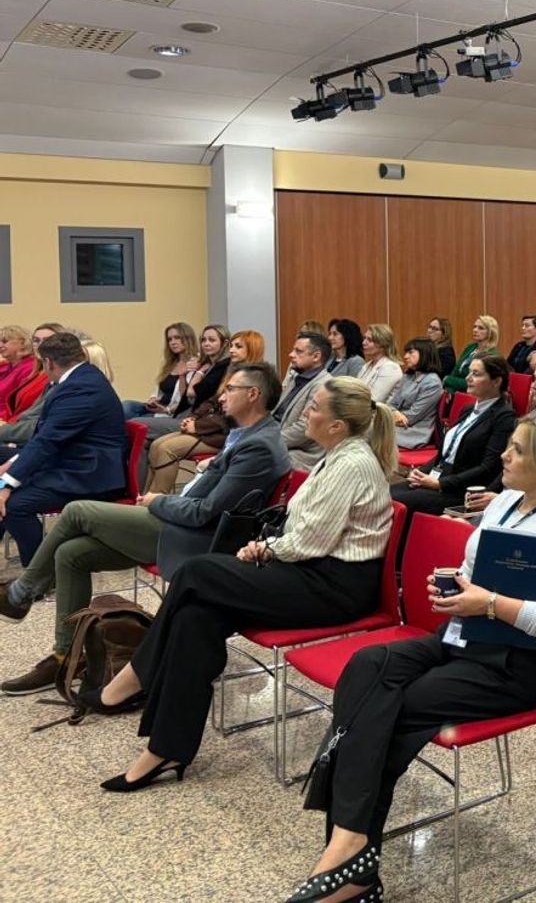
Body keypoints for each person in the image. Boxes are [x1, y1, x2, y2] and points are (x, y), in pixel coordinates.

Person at [288, 412, 536, 899]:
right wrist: (455, 586)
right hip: (463, 635)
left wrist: (490, 603)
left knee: (392, 707)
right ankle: (352, 850)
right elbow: (475, 570)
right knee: (367, 669)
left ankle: (348, 859)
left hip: (516, 665)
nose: (504, 456)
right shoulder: (505, 504)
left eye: (517, 449)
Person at [88, 377, 396, 792]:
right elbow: (305, 531)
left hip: (335, 586)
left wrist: (265, 549)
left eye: (315, 407)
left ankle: (135, 677)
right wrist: (269, 547)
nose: (306, 412)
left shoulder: (352, 463)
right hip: (309, 570)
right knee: (197, 616)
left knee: (196, 572)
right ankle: (166, 749)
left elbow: (310, 542)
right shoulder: (337, 455)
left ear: (337, 425)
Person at [0, 362, 290, 695]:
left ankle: (21, 594)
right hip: (178, 523)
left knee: (77, 511)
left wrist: (157, 501)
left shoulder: (258, 446)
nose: (222, 397)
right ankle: (66, 656)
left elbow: (204, 513)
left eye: (230, 390)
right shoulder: (247, 434)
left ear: (253, 395)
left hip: (193, 539)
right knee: (70, 553)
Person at [0, 332, 126, 566]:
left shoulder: (80, 388)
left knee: (14, 505)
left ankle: (40, 575)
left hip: (89, 474)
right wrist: (10, 467)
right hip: (71, 460)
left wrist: (6, 483)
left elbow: (47, 441)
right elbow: (46, 437)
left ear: (48, 362)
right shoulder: (82, 378)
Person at [391, 355, 517, 519]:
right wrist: (419, 472)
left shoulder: (504, 416)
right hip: (440, 477)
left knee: (394, 501)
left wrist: (440, 483)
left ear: (496, 381)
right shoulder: (468, 409)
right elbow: (446, 453)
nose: (468, 378)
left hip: (461, 490)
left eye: (476, 374)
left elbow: (488, 468)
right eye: (469, 372)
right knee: (384, 494)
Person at [143, 330, 266, 494]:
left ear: (252, 349)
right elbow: (212, 401)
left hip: (225, 436)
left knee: (167, 449)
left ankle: (157, 500)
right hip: (208, 428)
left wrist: (197, 426)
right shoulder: (233, 372)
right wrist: (193, 418)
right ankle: (145, 496)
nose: (231, 350)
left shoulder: (256, 379)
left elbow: (232, 418)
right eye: (231, 346)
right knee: (156, 445)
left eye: (238, 347)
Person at [132, 324, 231, 439]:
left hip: (194, 420)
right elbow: (184, 397)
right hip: (179, 413)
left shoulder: (219, 367)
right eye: (203, 340)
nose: (206, 344)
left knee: (134, 423)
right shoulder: (204, 365)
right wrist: (154, 399)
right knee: (130, 410)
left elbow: (191, 393)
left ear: (224, 343)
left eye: (212, 340)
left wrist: (198, 372)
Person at [277, 332, 334, 472]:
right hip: (281, 439)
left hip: (301, 452)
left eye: (298, 351)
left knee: (250, 457)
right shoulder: (298, 377)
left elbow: (304, 428)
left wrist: (268, 441)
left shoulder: (324, 384)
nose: (291, 355)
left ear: (316, 356)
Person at [121, 322, 196, 420]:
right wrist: (153, 399)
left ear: (188, 338)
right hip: (158, 407)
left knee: (134, 421)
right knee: (126, 406)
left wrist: (182, 376)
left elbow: (187, 401)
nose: (172, 342)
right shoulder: (170, 363)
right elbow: (158, 391)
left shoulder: (195, 363)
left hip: (169, 412)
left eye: (177, 338)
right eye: (169, 339)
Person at [389, 338, 444, 451]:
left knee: (367, 429)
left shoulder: (432, 382)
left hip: (412, 432)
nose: (405, 356)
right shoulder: (408, 377)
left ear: (424, 354)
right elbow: (391, 404)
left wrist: (389, 415)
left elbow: (412, 417)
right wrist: (394, 412)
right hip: (397, 424)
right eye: (406, 352)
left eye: (410, 352)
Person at [0, 325, 47, 424]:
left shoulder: (30, 367)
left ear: (23, 343)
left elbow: (20, 403)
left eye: (4, 341)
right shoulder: (6, 365)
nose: (0, 345)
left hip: (8, 419)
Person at [445, 315, 499, 392]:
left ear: (490, 332)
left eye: (480, 328)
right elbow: (455, 371)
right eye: (474, 327)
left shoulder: (491, 355)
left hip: (474, 394)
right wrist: (449, 388)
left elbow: (475, 383)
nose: (475, 330)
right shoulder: (471, 347)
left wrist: (448, 380)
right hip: (456, 391)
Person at [357, 324, 404, 403]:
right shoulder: (367, 365)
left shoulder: (391, 368)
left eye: (370, 340)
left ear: (382, 345)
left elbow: (374, 400)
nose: (363, 342)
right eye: (364, 338)